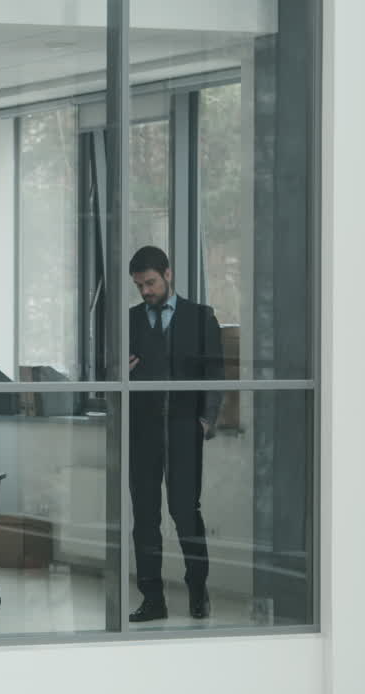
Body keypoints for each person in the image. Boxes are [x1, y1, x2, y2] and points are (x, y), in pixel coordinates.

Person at [127, 245, 223, 622]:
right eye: (139, 286)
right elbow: (107, 371)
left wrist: (206, 420)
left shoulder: (201, 318)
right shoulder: (131, 320)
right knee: (145, 517)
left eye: (150, 282)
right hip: (143, 431)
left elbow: (215, 374)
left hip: (184, 427)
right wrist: (121, 368)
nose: (145, 291)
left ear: (168, 275)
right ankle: (153, 598)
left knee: (186, 512)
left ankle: (198, 590)